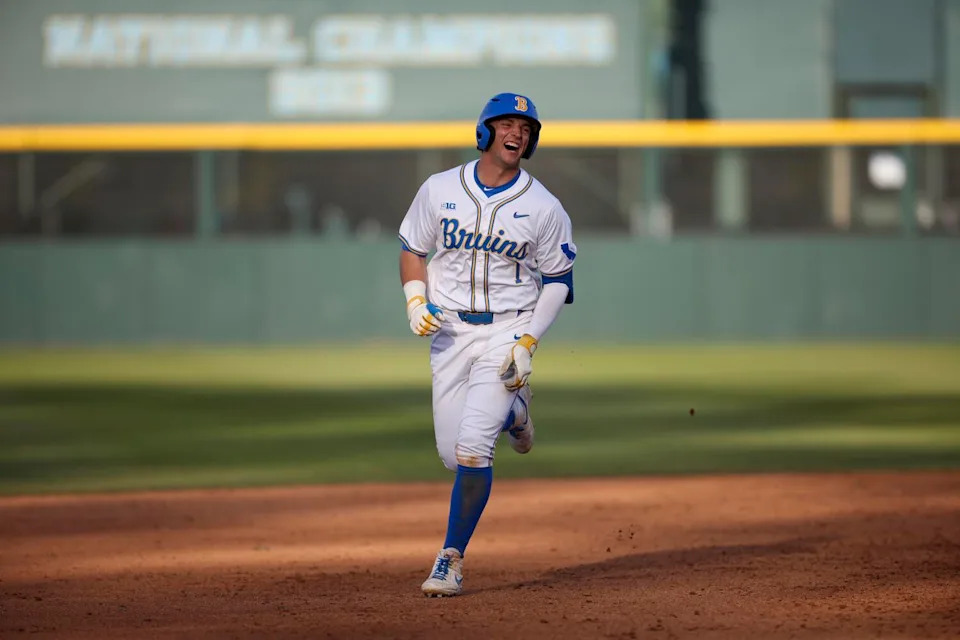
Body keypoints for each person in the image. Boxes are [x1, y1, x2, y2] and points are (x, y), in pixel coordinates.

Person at [398, 92, 577, 597]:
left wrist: (528, 340)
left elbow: (559, 280)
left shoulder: (543, 206)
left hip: (507, 329)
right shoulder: (439, 189)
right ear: (485, 131)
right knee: (453, 456)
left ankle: (449, 559)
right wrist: (415, 300)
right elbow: (413, 249)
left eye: (526, 127)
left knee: (475, 450)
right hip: (450, 332)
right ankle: (515, 411)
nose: (517, 133)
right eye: (507, 124)